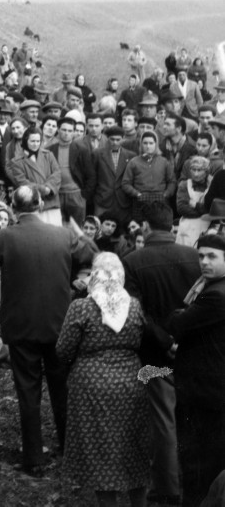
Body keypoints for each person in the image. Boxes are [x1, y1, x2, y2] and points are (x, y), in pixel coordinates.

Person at [0, 185, 96, 475]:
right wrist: (70, 278)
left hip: (22, 326)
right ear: (40, 203)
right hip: (58, 323)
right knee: (61, 388)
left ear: (14, 208)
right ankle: (72, 450)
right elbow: (89, 257)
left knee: (28, 392)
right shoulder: (64, 234)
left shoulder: (3, 237)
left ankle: (33, 458)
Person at [55, 252, 150, 507]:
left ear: (94, 275)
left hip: (91, 385)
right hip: (131, 380)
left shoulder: (82, 307)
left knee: (100, 448)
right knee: (132, 445)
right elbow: (142, 341)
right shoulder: (134, 305)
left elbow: (63, 349)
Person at [122, 202, 200, 505]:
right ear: (172, 226)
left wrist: (166, 341)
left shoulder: (132, 261)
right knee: (192, 417)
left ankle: (167, 486)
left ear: (145, 227)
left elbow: (136, 312)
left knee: (164, 419)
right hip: (193, 349)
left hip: (156, 354)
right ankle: (194, 481)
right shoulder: (196, 258)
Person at [167, 232, 225, 507]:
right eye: (201, 255)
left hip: (205, 391)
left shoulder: (216, 295)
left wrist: (179, 318)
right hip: (206, 387)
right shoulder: (208, 287)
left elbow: (178, 322)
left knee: (199, 462)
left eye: (212, 256)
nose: (204, 262)